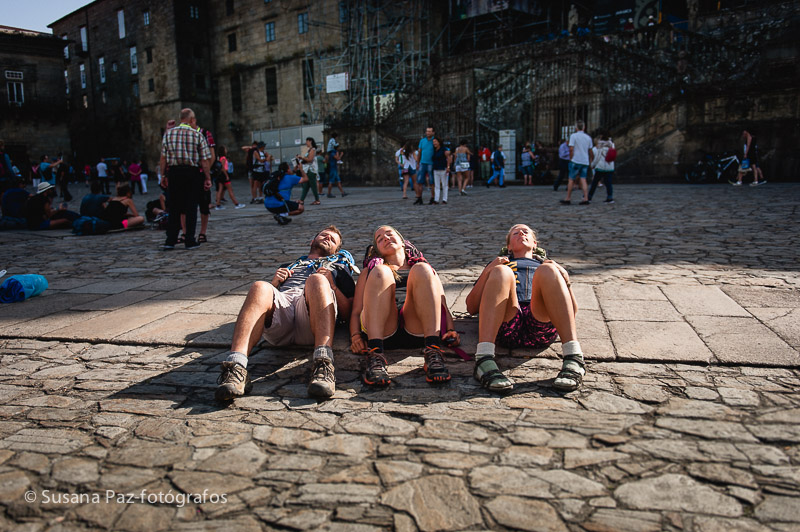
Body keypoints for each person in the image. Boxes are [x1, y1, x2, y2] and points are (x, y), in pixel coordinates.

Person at [215, 226, 358, 400]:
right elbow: (262, 302)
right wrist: (274, 283)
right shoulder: (289, 266)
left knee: (317, 279)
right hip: (282, 313)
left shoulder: (339, 269)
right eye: (324, 235)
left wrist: (332, 285)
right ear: (312, 241)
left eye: (332, 239)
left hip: (313, 318)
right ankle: (236, 367)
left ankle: (323, 364)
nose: (328, 238)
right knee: (260, 286)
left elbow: (348, 312)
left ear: (336, 250)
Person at [465, 224, 586, 393]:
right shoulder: (498, 264)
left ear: (534, 244)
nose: (521, 232)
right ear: (509, 246)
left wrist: (566, 279)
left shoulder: (546, 264)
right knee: (502, 272)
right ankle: (484, 359)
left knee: (548, 269)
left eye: (525, 231)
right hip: (504, 323)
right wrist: (488, 270)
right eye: (515, 232)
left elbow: (572, 312)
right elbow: (471, 307)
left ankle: (573, 357)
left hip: (540, 324)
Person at [350, 225, 460, 387]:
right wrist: (355, 337)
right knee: (381, 271)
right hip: (382, 328)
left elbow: (441, 303)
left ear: (403, 242)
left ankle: (433, 351)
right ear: (378, 250)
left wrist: (450, 329)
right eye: (380, 239)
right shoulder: (370, 271)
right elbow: (356, 311)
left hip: (416, 326)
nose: (386, 238)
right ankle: (375, 356)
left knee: (422, 268)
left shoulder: (423, 267)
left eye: (389, 234)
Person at [159, 107, 212, 250]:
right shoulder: (197, 135)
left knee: (174, 206)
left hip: (174, 172)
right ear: (192, 119)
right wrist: (207, 178)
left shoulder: (169, 134)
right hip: (191, 172)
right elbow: (204, 160)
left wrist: (163, 175)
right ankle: (189, 239)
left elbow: (163, 158)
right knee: (191, 206)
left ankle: (170, 240)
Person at [561, 120, 592, 205]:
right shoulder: (588, 137)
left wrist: (571, 158)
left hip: (575, 160)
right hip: (584, 161)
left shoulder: (573, 136)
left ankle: (568, 198)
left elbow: (571, 149)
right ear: (584, 127)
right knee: (583, 179)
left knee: (571, 179)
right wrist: (590, 160)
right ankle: (586, 198)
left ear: (576, 128)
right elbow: (590, 150)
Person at [588, 132, 615, 203]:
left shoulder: (600, 145)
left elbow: (598, 157)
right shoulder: (612, 144)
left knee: (594, 182)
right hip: (609, 166)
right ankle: (610, 197)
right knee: (608, 183)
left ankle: (589, 197)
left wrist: (593, 164)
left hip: (600, 166)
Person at [414, 126, 435, 204]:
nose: (427, 133)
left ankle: (433, 197)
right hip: (423, 163)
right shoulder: (422, 141)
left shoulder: (434, 141)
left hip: (431, 163)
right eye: (427, 131)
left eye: (429, 131)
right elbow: (420, 152)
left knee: (432, 182)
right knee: (419, 181)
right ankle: (419, 197)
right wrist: (418, 162)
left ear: (433, 133)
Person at [298, 137, 321, 205]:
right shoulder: (310, 150)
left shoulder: (313, 150)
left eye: (307, 141)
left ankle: (317, 200)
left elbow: (310, 159)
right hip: (308, 170)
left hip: (311, 170)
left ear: (310, 141)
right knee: (306, 185)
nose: (306, 143)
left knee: (313, 185)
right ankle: (301, 200)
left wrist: (302, 158)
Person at [431, 138, 451, 205]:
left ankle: (444, 199)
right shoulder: (434, 150)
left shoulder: (443, 149)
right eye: (433, 142)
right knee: (436, 185)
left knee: (444, 184)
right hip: (436, 168)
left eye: (435, 141)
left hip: (443, 168)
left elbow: (448, 158)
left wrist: (448, 167)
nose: (434, 143)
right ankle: (436, 199)